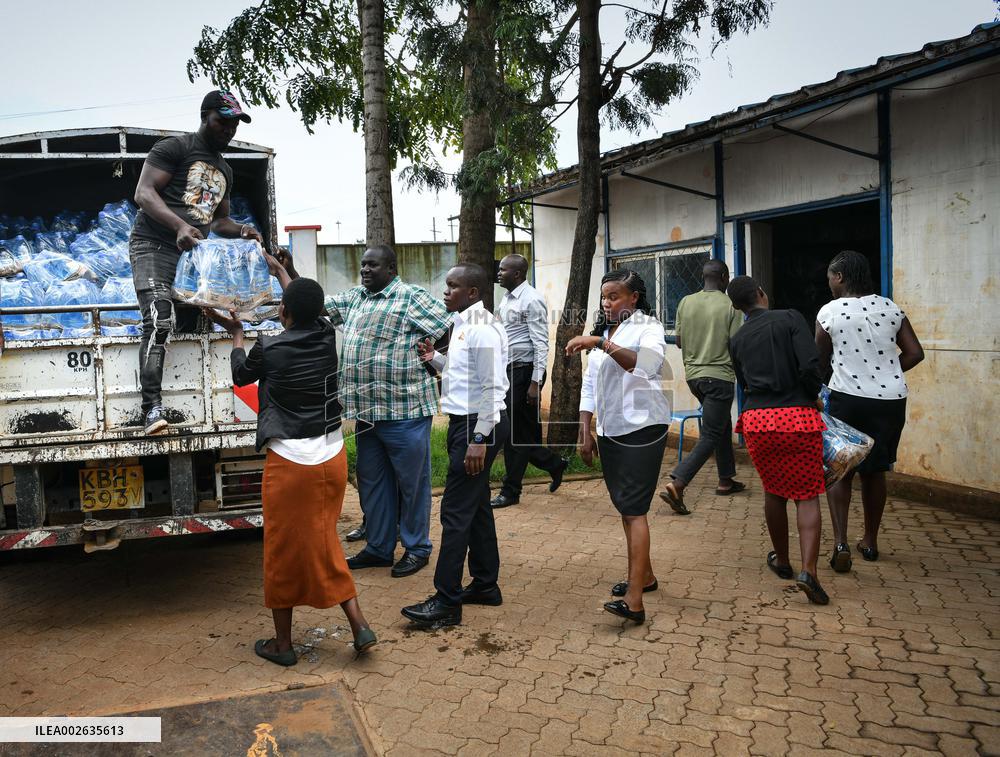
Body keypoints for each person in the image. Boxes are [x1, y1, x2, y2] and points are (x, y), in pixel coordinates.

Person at [206, 276, 376, 666]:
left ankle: (283, 645)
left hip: (291, 462)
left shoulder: (269, 346)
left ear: (283, 312)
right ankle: (359, 624)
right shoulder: (329, 336)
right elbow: (308, 305)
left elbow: (241, 376)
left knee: (281, 550)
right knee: (324, 539)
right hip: (332, 456)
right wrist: (285, 273)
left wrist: (237, 334)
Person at [280, 245, 451, 578]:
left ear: (391, 267)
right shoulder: (357, 297)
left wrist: (436, 361)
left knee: (411, 486)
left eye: (372, 265)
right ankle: (379, 548)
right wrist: (287, 273)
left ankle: (417, 548)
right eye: (363, 265)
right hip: (367, 414)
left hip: (406, 411)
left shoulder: (410, 297)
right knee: (373, 483)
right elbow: (313, 306)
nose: (365, 270)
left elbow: (450, 328)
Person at [130, 90, 264, 436]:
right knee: (160, 318)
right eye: (223, 121)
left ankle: (198, 407)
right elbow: (144, 193)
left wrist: (245, 230)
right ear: (205, 116)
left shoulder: (225, 171)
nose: (229, 129)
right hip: (154, 246)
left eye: (234, 123)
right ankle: (151, 409)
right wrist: (178, 226)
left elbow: (219, 222)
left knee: (198, 326)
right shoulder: (175, 148)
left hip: (193, 257)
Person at [401, 263, 510, 628]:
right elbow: (464, 374)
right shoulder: (463, 325)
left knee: (455, 511)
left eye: (452, 286)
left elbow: (494, 388)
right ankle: (485, 585)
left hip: (478, 426)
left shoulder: (484, 330)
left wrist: (479, 439)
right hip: (467, 422)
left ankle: (446, 601)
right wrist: (434, 359)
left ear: (473, 293)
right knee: (476, 507)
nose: (445, 292)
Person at [566, 269, 670, 625]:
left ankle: (635, 601)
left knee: (634, 509)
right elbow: (590, 385)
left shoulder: (649, 328)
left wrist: (599, 343)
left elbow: (645, 366)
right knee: (626, 508)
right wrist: (585, 429)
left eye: (614, 296)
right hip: (611, 430)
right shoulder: (607, 330)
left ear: (634, 298)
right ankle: (647, 576)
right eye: (604, 297)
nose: (606, 303)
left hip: (643, 427)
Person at [815, 250, 924, 571]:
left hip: (847, 398)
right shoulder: (890, 307)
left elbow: (819, 364)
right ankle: (871, 542)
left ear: (840, 277)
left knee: (841, 468)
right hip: (891, 401)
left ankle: (840, 542)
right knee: (876, 471)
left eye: (831, 279)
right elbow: (915, 353)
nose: (830, 285)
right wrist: (887, 371)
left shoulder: (830, 311)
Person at [726, 276, 829, 605]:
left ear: (736, 307)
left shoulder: (737, 338)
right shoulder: (790, 318)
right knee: (807, 495)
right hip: (796, 416)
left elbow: (744, 383)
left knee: (774, 490)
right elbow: (811, 365)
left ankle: (782, 562)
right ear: (761, 293)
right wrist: (812, 396)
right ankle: (809, 571)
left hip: (757, 421)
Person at [659, 259, 744, 514]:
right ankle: (679, 482)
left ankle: (726, 479)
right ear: (725, 277)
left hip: (694, 378)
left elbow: (681, 342)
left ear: (704, 277)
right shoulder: (732, 305)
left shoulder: (686, 302)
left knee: (720, 425)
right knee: (711, 433)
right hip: (719, 377)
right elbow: (736, 344)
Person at [491, 254, 568, 509]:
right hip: (509, 371)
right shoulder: (508, 297)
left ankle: (511, 491)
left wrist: (536, 383)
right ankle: (554, 464)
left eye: (503, 269)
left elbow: (540, 343)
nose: (499, 273)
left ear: (517, 274)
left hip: (525, 373)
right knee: (518, 432)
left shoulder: (532, 299)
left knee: (514, 435)